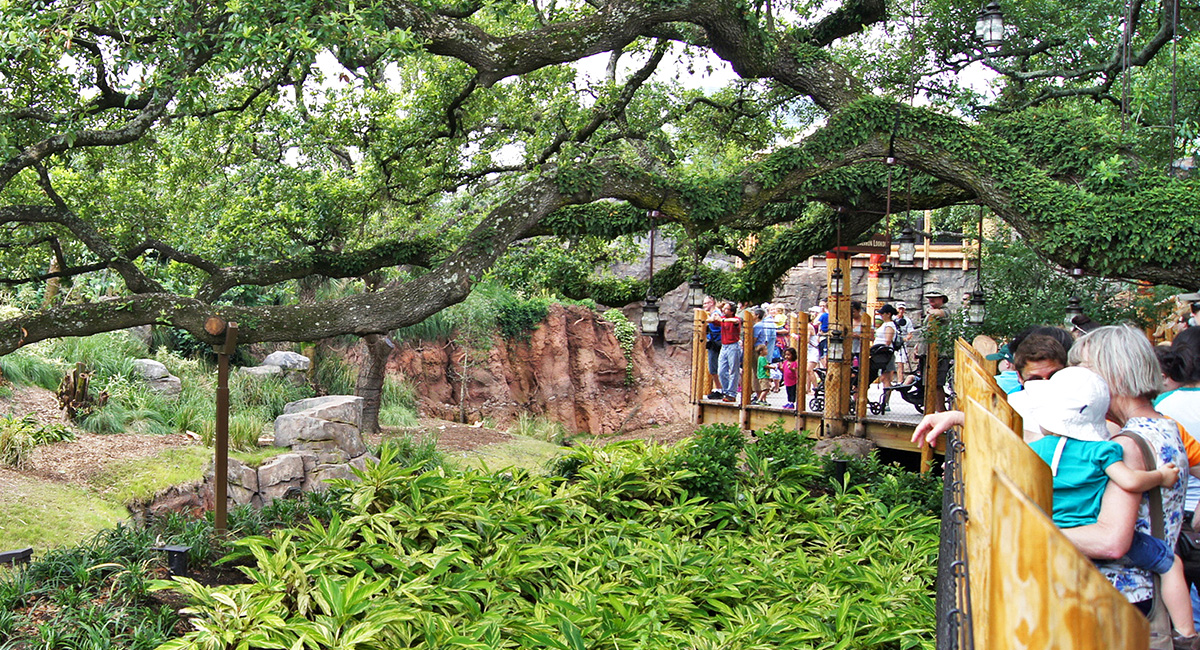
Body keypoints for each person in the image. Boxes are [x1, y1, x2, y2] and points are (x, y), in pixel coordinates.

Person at [1027, 367, 1193, 638]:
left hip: (1058, 532)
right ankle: (1186, 635)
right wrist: (1161, 476)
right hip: (1090, 529)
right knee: (1169, 562)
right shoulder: (1103, 451)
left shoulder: (1036, 450)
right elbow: (1129, 481)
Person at [917, 288, 951, 412]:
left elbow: (940, 314)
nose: (931, 300)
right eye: (929, 298)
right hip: (927, 352)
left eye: (934, 298)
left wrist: (930, 311)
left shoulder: (945, 310)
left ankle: (941, 410)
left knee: (937, 383)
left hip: (940, 353)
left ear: (941, 299)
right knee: (927, 383)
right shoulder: (930, 312)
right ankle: (930, 409)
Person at [716, 302, 743, 402]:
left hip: (733, 346)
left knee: (733, 370)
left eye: (727, 309)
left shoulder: (736, 319)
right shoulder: (723, 319)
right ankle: (726, 391)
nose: (724, 310)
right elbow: (711, 319)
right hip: (724, 346)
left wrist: (722, 319)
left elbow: (735, 321)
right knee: (721, 370)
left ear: (732, 311)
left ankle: (731, 393)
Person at [872, 303, 899, 387]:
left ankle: (886, 398)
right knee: (883, 377)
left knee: (886, 378)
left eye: (883, 314)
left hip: (886, 353)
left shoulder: (889, 325)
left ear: (888, 314)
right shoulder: (884, 324)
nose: (881, 316)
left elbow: (888, 340)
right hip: (879, 353)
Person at [704, 297, 723, 400]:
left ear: (711, 303)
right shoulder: (713, 313)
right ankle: (719, 388)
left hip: (716, 342)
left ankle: (720, 389)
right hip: (714, 341)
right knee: (714, 367)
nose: (704, 306)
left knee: (714, 367)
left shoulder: (716, 314)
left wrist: (704, 320)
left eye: (706, 303)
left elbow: (716, 321)